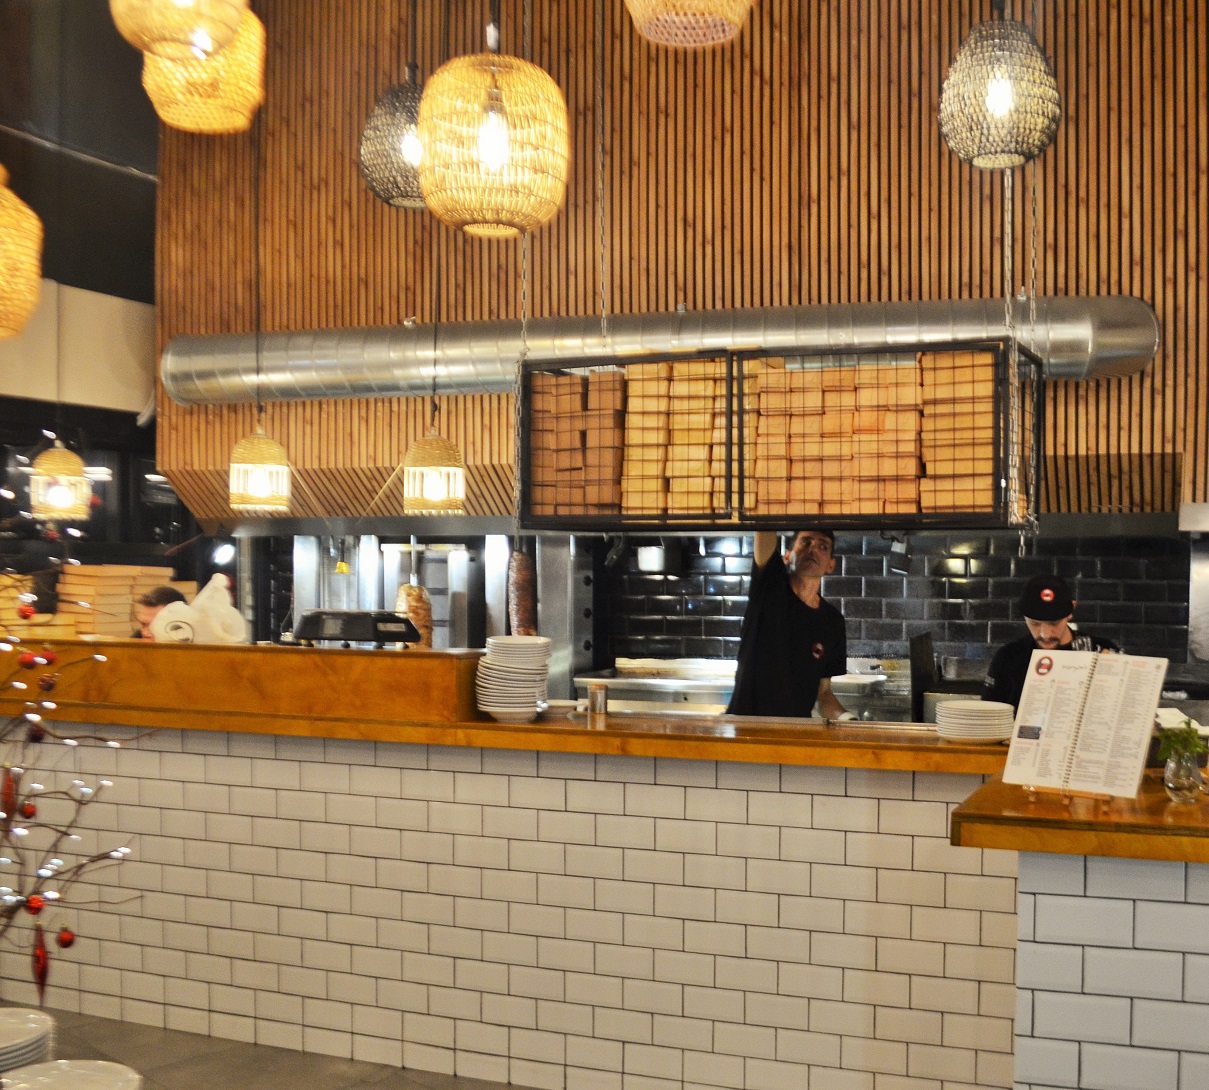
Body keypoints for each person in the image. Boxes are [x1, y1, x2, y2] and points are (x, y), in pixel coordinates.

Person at [727, 529, 853, 720]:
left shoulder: (833, 621)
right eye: (805, 542)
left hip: (795, 732)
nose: (813, 549)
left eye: (823, 546)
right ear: (787, 556)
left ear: (831, 564)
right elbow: (763, 524)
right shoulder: (769, 587)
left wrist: (847, 720)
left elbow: (823, 694)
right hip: (747, 728)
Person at [982, 574, 1120, 711]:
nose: (1045, 635)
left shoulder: (1100, 650)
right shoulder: (1008, 657)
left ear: (1071, 610)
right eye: (1035, 623)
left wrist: (1115, 673)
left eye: (1054, 623)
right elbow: (987, 714)